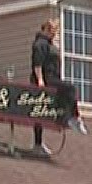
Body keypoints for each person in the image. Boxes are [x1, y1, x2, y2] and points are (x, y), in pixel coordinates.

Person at [28, 17, 87, 156]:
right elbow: (37, 63)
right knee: (70, 89)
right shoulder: (40, 44)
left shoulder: (48, 44)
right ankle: (74, 117)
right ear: (46, 29)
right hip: (47, 78)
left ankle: (39, 142)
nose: (53, 34)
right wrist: (40, 80)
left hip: (52, 77)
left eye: (55, 32)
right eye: (52, 31)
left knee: (42, 109)